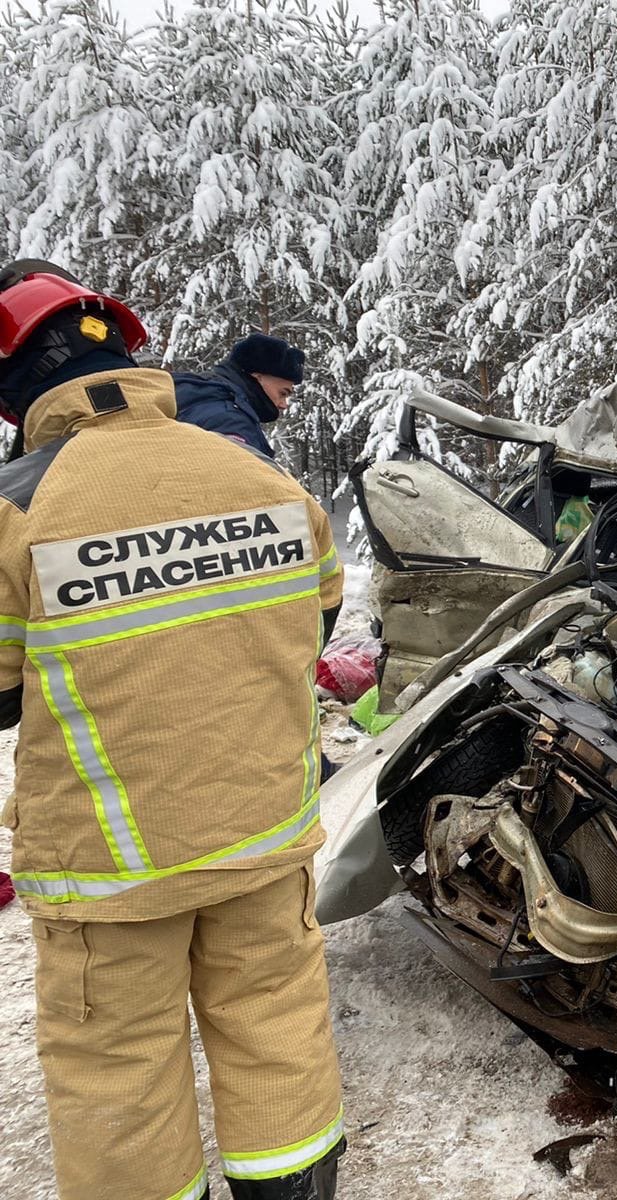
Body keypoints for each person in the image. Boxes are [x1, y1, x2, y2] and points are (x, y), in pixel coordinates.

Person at [0, 261, 346, 1200]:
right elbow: (316, 615)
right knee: (276, 1031)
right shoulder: (257, 474)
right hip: (263, 836)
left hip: (111, 868)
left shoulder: (16, 511)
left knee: (120, 1071)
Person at [175, 332, 305, 459]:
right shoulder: (230, 421)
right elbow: (237, 478)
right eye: (282, 393)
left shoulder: (201, 396)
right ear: (257, 377)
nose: (284, 405)